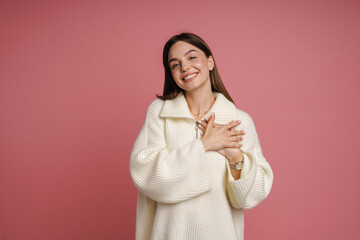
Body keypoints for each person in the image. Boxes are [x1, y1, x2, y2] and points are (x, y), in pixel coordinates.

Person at [129, 32, 273, 240]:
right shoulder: (160, 113)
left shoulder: (238, 121)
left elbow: (249, 197)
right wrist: (204, 145)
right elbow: (145, 173)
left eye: (192, 57)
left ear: (210, 62)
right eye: (175, 64)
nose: (185, 67)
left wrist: (235, 158)